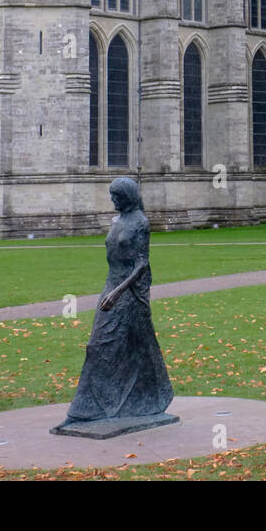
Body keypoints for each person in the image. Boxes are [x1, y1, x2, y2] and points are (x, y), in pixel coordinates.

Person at [53, 178, 174, 433]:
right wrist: (112, 290)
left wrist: (117, 294)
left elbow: (142, 265)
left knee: (121, 345)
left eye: (116, 196)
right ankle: (93, 409)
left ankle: (134, 401)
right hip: (112, 285)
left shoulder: (141, 222)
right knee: (101, 346)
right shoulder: (116, 221)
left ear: (127, 196)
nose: (112, 201)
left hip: (128, 292)